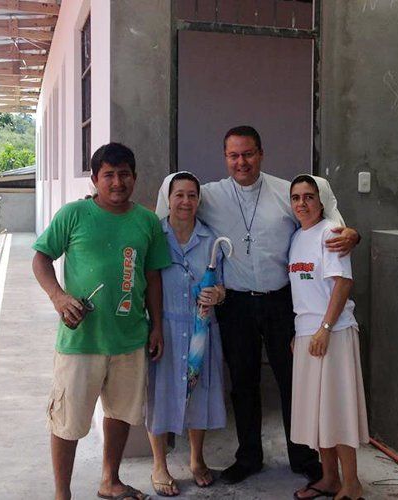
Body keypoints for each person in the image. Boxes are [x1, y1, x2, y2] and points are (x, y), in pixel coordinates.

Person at [155, 126, 360, 484]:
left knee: (291, 379)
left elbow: (329, 219)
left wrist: (350, 233)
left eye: (248, 154)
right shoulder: (210, 195)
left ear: (261, 153)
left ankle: (303, 454)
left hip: (281, 300)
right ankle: (248, 455)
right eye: (233, 155)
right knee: (243, 381)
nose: (241, 162)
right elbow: (172, 209)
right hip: (235, 303)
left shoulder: (286, 191)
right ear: (225, 158)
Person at [33, 142, 170, 500]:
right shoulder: (74, 215)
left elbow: (153, 276)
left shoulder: (147, 221)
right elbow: (41, 258)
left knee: (121, 414)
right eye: (108, 174)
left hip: (129, 338)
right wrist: (59, 297)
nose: (117, 182)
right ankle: (62, 493)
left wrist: (157, 326)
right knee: (68, 421)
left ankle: (110, 480)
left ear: (134, 178)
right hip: (82, 340)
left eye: (124, 174)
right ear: (95, 179)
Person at [288, 175, 369, 500]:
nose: (302, 204)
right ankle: (329, 479)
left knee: (337, 409)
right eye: (296, 198)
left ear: (322, 201)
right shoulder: (297, 237)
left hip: (332, 333)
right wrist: (302, 332)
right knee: (318, 412)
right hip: (308, 333)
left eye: (309, 197)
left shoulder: (331, 233)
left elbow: (342, 284)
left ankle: (352, 484)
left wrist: (323, 328)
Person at [146, 171, 227, 497]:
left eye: (192, 195)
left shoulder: (211, 240)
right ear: (168, 198)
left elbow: (223, 284)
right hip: (164, 327)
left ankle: (196, 459)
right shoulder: (155, 236)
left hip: (200, 330)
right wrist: (152, 326)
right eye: (179, 195)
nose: (185, 201)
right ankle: (159, 465)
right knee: (160, 394)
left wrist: (217, 294)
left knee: (200, 393)